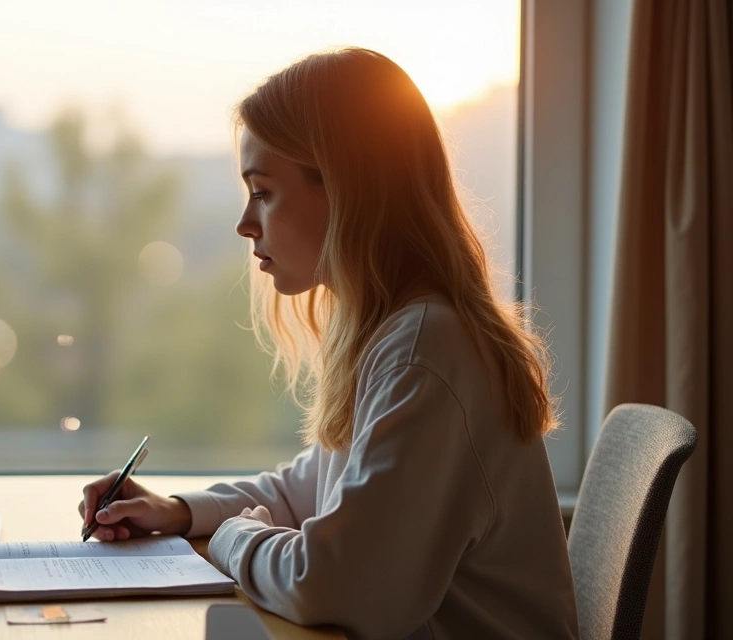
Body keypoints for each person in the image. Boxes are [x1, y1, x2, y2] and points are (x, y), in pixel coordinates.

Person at [77, 48, 578, 639]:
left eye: (262, 192)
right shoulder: (396, 332)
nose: (245, 223)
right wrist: (180, 512)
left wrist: (234, 536)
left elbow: (340, 588)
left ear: (345, 191)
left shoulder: (427, 352)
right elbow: (311, 485)